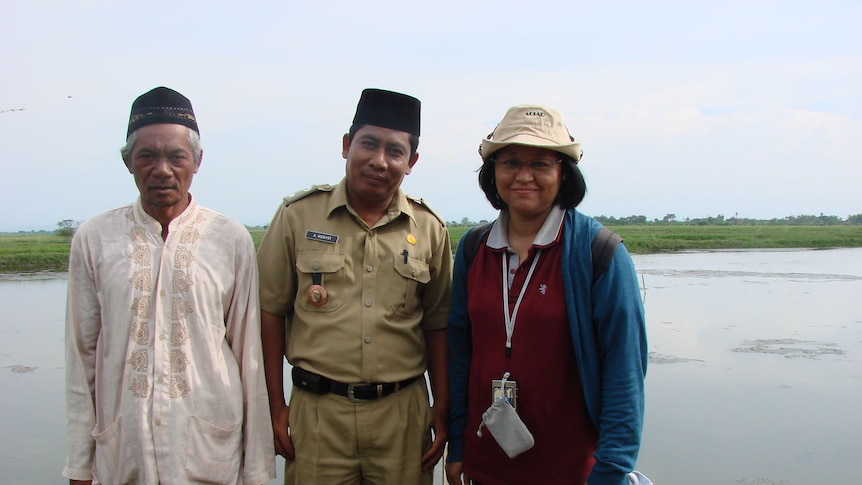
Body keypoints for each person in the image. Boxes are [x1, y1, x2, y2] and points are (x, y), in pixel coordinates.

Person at [63, 86, 276, 485]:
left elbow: (250, 355)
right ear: (128, 162)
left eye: (176, 156)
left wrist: (257, 469)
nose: (162, 169)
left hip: (209, 450)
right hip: (123, 453)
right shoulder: (95, 238)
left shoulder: (229, 238)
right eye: (147, 156)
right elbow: (81, 358)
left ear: (197, 161)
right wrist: (79, 465)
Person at [257, 88, 452, 485]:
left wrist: (443, 406)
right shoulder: (298, 215)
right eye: (368, 144)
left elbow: (438, 324)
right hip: (317, 415)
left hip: (402, 415)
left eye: (395, 151)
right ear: (346, 146)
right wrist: (274, 404)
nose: (379, 161)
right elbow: (269, 312)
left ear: (411, 162)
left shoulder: (429, 228)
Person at [446, 105, 648, 485]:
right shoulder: (474, 249)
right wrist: (458, 446)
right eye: (510, 162)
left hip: (573, 472)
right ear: (493, 173)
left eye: (540, 163)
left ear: (563, 173)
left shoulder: (598, 252)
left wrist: (610, 471)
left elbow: (625, 373)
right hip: (486, 468)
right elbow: (460, 355)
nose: (524, 176)